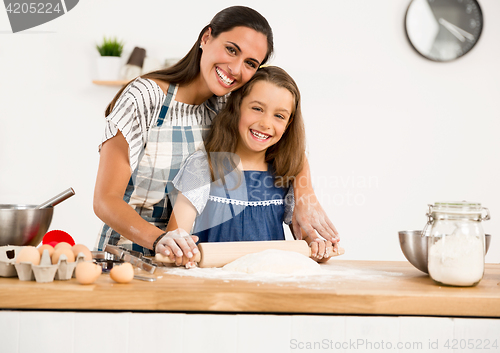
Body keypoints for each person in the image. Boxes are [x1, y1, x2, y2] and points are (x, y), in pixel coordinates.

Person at [93, 6, 339, 257]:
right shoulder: (145, 97)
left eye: (250, 63)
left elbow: (285, 143)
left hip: (183, 259)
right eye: (231, 50)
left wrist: (305, 195)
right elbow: (105, 200)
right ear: (206, 37)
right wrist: (161, 240)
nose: (235, 68)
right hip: (127, 257)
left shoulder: (229, 104)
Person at [157, 66, 337, 267]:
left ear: (289, 123)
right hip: (214, 286)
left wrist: (320, 248)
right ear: (237, 106)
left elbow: (307, 240)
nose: (266, 123)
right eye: (257, 108)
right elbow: (176, 236)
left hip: (270, 285)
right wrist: (180, 250)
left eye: (279, 116)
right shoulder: (203, 165)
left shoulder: (286, 173)